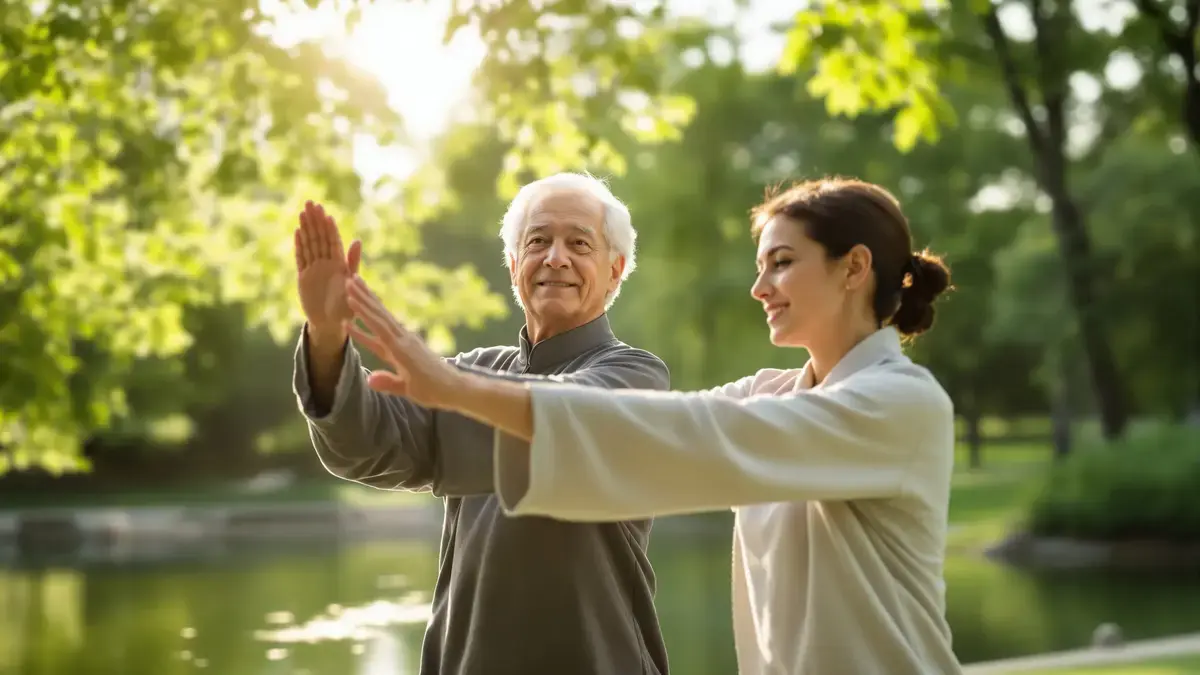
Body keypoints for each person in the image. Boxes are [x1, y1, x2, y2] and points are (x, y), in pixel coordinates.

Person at [341, 177, 963, 675]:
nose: (758, 287)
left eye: (780, 262)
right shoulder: (770, 392)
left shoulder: (900, 405)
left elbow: (694, 433)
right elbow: (643, 429)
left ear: (854, 269)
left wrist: (455, 389)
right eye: (760, 264)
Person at [291, 173, 672, 675]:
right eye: (538, 241)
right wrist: (326, 336)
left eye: (579, 243)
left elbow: (575, 418)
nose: (555, 257)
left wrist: (450, 388)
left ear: (615, 269)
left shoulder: (635, 374)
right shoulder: (477, 370)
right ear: (514, 265)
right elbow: (364, 446)